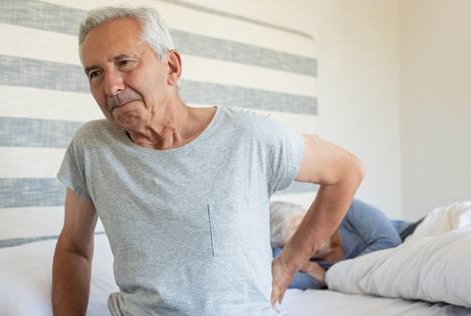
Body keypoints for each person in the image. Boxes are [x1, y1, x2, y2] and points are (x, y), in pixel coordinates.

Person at [51, 4, 365, 316]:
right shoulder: (91, 147)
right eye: (95, 73)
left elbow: (346, 171)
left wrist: (287, 264)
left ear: (171, 68)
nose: (111, 86)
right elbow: (73, 248)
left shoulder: (247, 136)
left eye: (125, 62)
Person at [270, 199, 422, 289]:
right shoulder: (309, 268)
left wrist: (330, 276)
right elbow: (273, 279)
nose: (303, 240)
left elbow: (390, 243)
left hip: (418, 234)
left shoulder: (346, 209)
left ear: (308, 212)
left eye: (299, 227)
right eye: (292, 244)